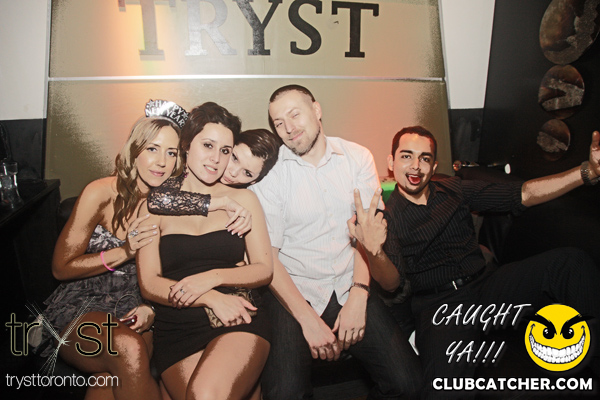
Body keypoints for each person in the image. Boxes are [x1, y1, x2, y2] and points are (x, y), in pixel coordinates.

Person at [349, 125, 600, 398]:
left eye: (424, 158)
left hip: (487, 286)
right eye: (406, 156)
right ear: (391, 162)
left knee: (570, 263)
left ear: (434, 166)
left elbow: (523, 194)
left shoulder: (453, 189)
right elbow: (391, 283)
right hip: (441, 306)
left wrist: (587, 172)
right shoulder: (387, 217)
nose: (415, 166)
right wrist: (374, 251)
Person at [250, 85, 422, 399]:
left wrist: (358, 294)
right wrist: (308, 321)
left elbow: (365, 237)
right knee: (284, 394)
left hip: (349, 281)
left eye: (295, 114)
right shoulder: (271, 175)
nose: (288, 128)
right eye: (278, 123)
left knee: (407, 384)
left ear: (316, 110)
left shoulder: (357, 157)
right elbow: (269, 258)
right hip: (294, 291)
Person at [37, 99, 188, 400]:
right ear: (135, 151)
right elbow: (61, 268)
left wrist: (152, 309)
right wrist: (125, 251)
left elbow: (180, 270)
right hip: (83, 305)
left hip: (140, 306)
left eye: (171, 153)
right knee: (128, 348)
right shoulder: (101, 193)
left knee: (110, 378)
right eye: (152, 149)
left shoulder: (176, 203)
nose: (162, 162)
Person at [136, 102, 273, 400]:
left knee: (206, 394)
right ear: (186, 145)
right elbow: (149, 282)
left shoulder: (243, 200)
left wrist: (212, 278)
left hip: (236, 313)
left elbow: (264, 269)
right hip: (177, 325)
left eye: (225, 151)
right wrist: (208, 296)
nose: (216, 159)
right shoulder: (156, 203)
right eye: (208, 145)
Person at [146, 128, 281, 219]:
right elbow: (157, 200)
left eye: (247, 173)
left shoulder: (247, 200)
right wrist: (222, 203)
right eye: (234, 158)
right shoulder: (186, 170)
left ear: (254, 181)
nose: (233, 173)